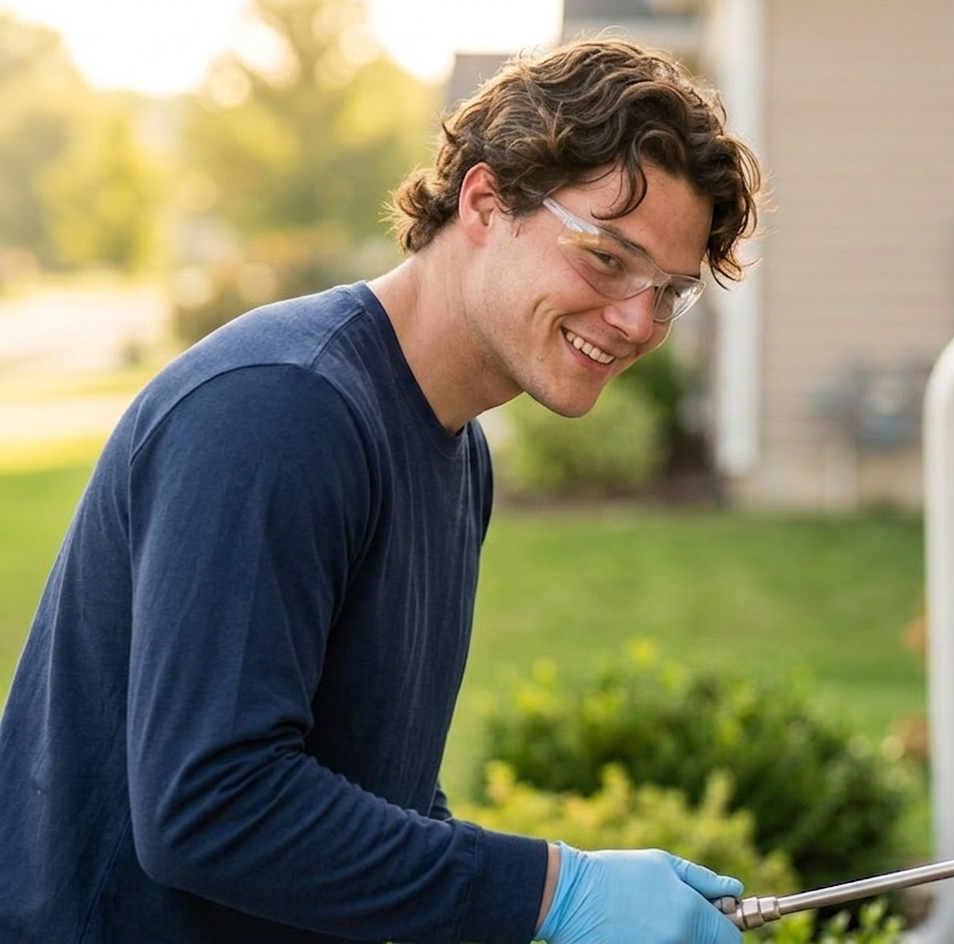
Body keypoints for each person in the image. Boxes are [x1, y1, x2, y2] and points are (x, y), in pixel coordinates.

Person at [0, 36, 761, 944]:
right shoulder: (281, 411)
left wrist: (527, 899)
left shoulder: (453, 449)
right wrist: (550, 890)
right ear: (484, 201)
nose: (638, 319)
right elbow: (210, 806)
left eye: (669, 290)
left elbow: (365, 793)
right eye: (606, 257)